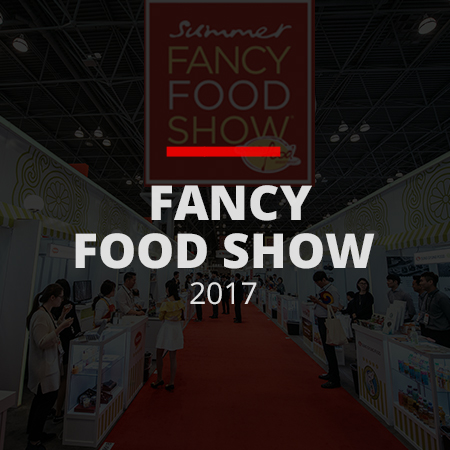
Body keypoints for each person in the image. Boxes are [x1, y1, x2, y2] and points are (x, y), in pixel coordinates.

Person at [26, 284, 74, 450]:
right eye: (60, 297)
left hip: (48, 366)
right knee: (44, 404)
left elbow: (51, 330)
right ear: (52, 298)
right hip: (43, 368)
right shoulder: (40, 316)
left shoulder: (46, 313)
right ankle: (34, 441)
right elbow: (41, 341)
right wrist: (62, 327)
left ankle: (34, 433)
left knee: (40, 402)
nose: (62, 300)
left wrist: (62, 317)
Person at [51, 279, 81, 423]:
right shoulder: (69, 306)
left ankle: (52, 409)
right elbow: (75, 327)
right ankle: (58, 411)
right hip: (66, 344)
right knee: (64, 379)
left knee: (56, 378)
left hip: (54, 346)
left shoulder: (50, 308)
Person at [308, 271, 342, 389]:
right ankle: (331, 373)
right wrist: (316, 301)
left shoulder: (332, 290)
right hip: (322, 320)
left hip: (328, 321)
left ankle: (335, 379)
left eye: (318, 282)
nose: (317, 284)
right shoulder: (323, 290)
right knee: (327, 349)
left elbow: (334, 308)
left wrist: (318, 302)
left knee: (330, 349)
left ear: (323, 279)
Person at [151, 281, 185, 391]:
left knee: (159, 353)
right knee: (173, 356)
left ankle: (159, 379)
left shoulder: (165, 303)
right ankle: (171, 382)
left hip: (166, 328)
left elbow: (161, 317)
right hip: (176, 329)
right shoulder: (181, 302)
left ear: (168, 289)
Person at [420, 272, 450, 348]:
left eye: (422, 281)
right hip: (429, 330)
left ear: (430, 282)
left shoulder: (441, 297)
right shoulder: (427, 296)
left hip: (441, 333)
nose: (420, 283)